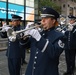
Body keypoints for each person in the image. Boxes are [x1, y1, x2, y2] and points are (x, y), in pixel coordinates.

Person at [20, 6, 65, 75]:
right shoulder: (38, 34)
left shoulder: (60, 36)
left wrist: (39, 38)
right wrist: (24, 37)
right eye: (42, 18)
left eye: (46, 18)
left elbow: (54, 53)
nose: (42, 21)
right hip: (31, 72)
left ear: (53, 21)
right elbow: (24, 46)